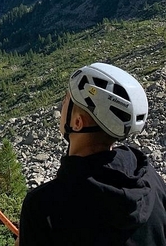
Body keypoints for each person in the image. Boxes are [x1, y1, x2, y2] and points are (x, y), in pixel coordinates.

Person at [16, 62, 166, 245]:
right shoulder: (150, 180)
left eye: (66, 100)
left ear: (78, 122)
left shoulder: (43, 206)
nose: (61, 106)